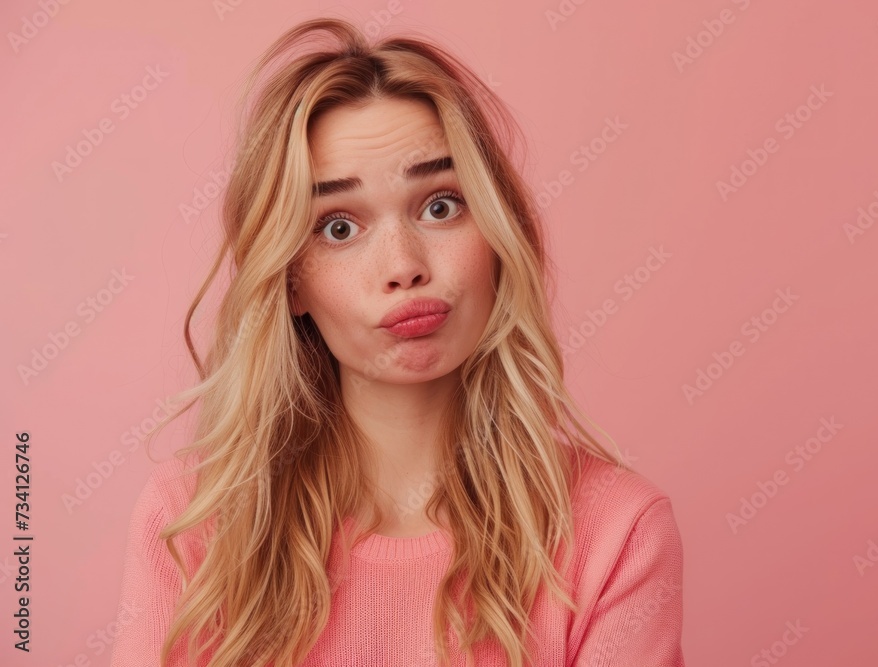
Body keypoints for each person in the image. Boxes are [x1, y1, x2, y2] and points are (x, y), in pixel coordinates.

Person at [109, 16, 685, 667]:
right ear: (290, 280)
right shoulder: (190, 522)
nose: (403, 264)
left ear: (498, 235)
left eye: (440, 205)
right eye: (337, 227)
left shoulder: (616, 532)